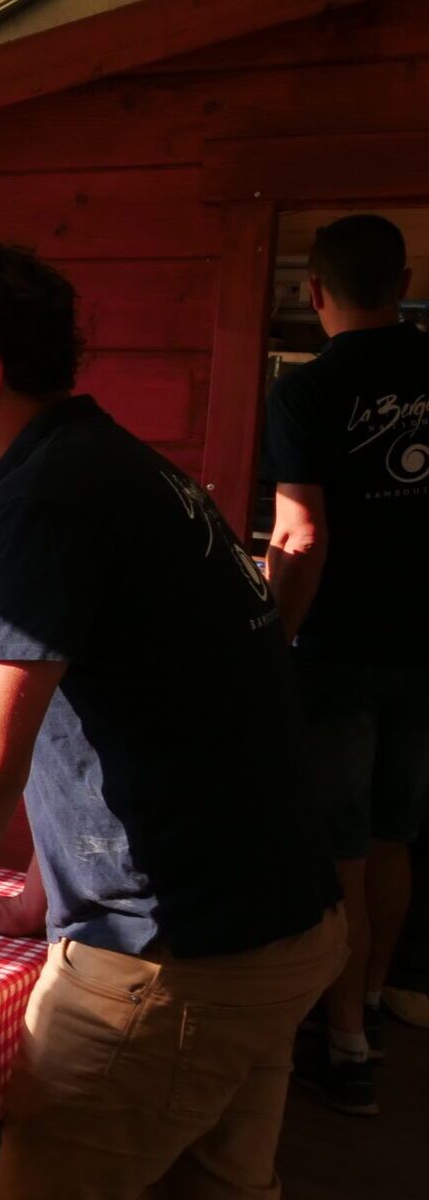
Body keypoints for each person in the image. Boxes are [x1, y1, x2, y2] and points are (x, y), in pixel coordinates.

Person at [0, 236, 342, 1192]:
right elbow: (149, 707)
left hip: (177, 960)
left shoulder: (44, 498)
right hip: (283, 925)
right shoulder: (111, 463)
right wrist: (45, 891)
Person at [262, 213, 429, 1112]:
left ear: (313, 291)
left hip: (339, 650)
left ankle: (347, 1046)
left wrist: (272, 644)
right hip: (423, 650)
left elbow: (302, 534)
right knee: (398, 833)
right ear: (401, 281)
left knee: (343, 850)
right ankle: (365, 999)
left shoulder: (307, 392)